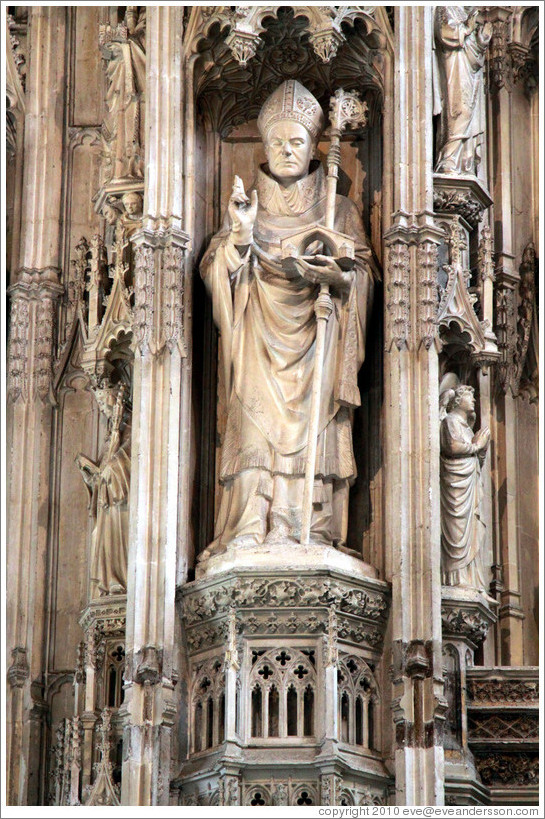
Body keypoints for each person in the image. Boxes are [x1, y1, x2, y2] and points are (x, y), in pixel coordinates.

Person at [200, 80, 376, 559]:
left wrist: (341, 280)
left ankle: (302, 528)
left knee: (313, 430)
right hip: (257, 339)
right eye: (276, 141)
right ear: (263, 145)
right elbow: (218, 269)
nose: (285, 150)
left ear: (313, 146)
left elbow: (364, 275)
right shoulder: (247, 210)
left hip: (318, 340)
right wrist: (239, 237)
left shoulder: (338, 209)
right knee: (254, 429)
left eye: (296, 141)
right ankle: (250, 526)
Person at [77, 387, 131, 596]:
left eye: (104, 401)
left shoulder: (128, 428)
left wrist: (111, 469)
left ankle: (117, 579)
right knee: (100, 536)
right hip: (105, 501)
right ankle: (107, 581)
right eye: (99, 403)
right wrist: (90, 475)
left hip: (118, 501)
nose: (103, 407)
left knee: (114, 537)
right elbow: (102, 469)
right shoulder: (111, 433)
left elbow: (129, 459)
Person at [440, 381, 490, 589]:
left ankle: (470, 579)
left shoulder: (467, 429)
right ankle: (455, 579)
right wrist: (476, 445)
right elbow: (451, 446)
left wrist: (481, 449)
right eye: (470, 397)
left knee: (472, 532)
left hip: (469, 483)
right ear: (458, 401)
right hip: (456, 486)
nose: (474, 400)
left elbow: (474, 456)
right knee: (457, 531)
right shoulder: (451, 421)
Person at [434, 6, 492, 175]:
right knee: (458, 111)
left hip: (471, 74)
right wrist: (466, 28)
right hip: (454, 69)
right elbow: (445, 33)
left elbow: (476, 54)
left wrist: (482, 40)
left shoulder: (471, 12)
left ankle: (465, 161)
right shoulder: (446, 7)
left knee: (467, 112)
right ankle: (448, 159)